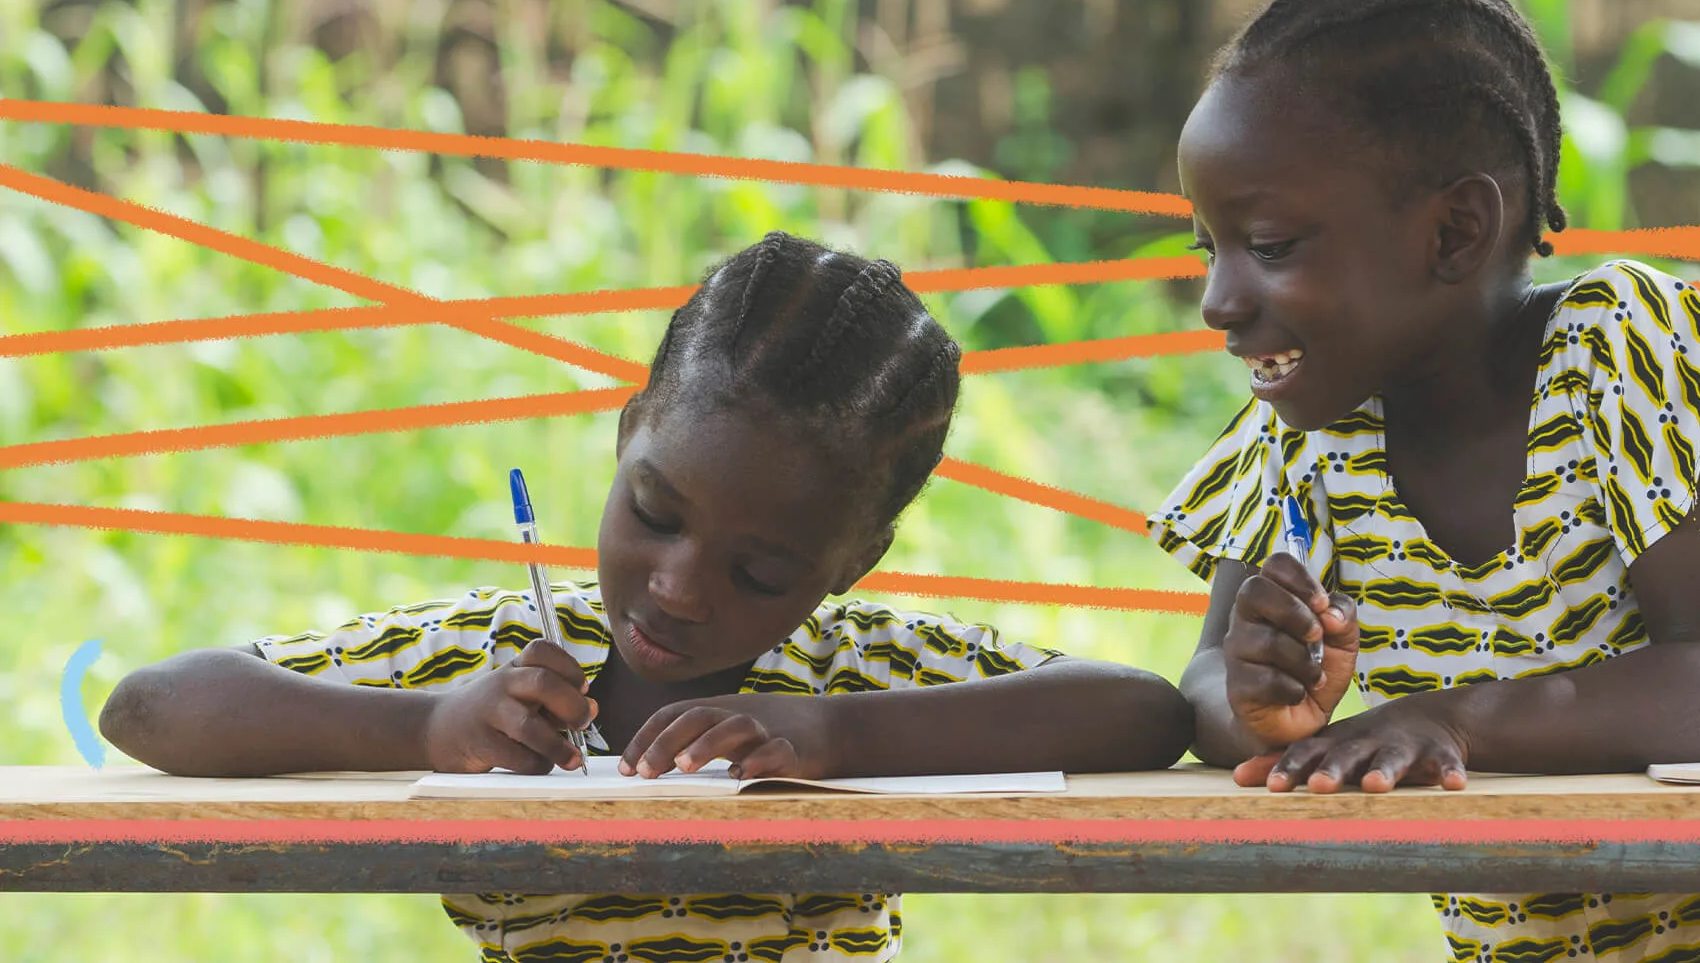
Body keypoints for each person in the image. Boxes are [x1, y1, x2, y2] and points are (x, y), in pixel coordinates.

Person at [102, 229, 1195, 963]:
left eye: (759, 574)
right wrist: (427, 728)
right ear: (628, 436)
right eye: (656, 514)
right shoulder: (502, 665)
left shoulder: (857, 673)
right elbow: (151, 708)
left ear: (854, 560)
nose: (678, 589)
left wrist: (832, 736)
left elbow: (1142, 712)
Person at [1151, 0, 1700, 961]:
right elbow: (1206, 689)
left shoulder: (1618, 351)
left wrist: (1457, 721)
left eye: (1270, 245)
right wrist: (1262, 710)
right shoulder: (1306, 445)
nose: (1218, 300)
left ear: (1455, 231)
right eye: (1209, 249)